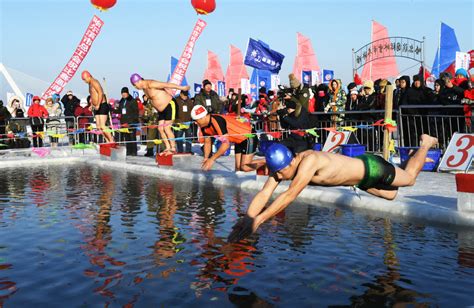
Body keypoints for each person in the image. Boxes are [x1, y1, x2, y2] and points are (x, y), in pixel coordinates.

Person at [228, 134, 439, 242]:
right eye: (277, 174)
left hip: (372, 168)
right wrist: (248, 218)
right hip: (359, 181)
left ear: (291, 161)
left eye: (281, 173)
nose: (279, 177)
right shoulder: (283, 168)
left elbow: (290, 194)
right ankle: (412, 158)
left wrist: (260, 220)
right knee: (392, 195)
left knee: (410, 179)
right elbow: (265, 193)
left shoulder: (309, 161)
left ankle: (425, 144)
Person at [191, 105, 265, 172]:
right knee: (238, 169)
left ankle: (267, 161)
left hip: (249, 136)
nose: (195, 123)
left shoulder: (216, 120)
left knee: (244, 167)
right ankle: (265, 166)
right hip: (238, 140)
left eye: (196, 120)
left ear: (203, 117)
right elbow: (207, 142)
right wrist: (206, 158)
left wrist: (212, 159)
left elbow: (226, 144)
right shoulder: (204, 127)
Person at [81, 70, 114, 143]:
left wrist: (98, 104)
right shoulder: (89, 84)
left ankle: (111, 140)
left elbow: (100, 92)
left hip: (102, 105)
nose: (84, 81)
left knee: (102, 125)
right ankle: (107, 141)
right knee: (99, 127)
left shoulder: (94, 82)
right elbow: (93, 95)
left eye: (85, 79)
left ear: (88, 76)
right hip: (96, 106)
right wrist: (92, 105)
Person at [114, 87, 139, 156]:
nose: (123, 95)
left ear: (127, 93)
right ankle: (128, 151)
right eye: (122, 93)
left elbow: (136, 111)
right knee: (127, 137)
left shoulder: (132, 101)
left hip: (131, 122)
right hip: (123, 122)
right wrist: (113, 110)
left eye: (125, 93)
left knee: (132, 137)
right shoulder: (121, 101)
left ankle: (134, 151)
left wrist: (133, 121)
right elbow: (119, 110)